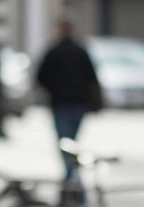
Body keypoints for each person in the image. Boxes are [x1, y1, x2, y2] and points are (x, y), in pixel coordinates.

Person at [36, 17, 102, 194]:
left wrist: (53, 90)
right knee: (72, 144)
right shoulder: (80, 51)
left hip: (61, 104)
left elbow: (40, 77)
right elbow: (92, 78)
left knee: (66, 145)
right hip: (78, 104)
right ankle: (72, 184)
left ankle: (71, 184)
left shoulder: (54, 51)